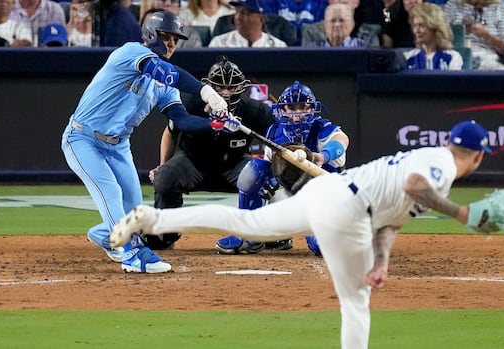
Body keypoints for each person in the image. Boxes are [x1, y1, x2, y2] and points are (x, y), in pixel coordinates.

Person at [111, 120, 504, 349]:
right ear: (478, 156)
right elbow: (416, 187)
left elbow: (392, 218)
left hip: (327, 193)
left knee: (248, 225)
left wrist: (382, 261)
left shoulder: (432, 156)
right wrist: (461, 213)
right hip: (346, 213)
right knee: (356, 303)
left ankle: (153, 220)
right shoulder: (441, 165)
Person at [60, 11, 235, 273]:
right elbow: (167, 72)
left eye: (175, 40)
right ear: (151, 34)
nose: (171, 44)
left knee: (136, 211)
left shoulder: (165, 86)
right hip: (83, 138)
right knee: (111, 193)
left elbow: (181, 120)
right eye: (167, 37)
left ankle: (106, 236)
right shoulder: (130, 53)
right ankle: (133, 254)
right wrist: (204, 90)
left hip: (118, 145)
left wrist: (215, 124)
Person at [144, 55, 274, 250]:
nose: (226, 93)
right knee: (165, 177)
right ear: (209, 87)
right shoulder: (190, 104)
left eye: (231, 87)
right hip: (191, 162)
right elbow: (170, 133)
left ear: (241, 87)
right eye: (220, 87)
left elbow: (276, 140)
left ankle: (266, 234)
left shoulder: (255, 111)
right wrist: (162, 165)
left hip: (235, 165)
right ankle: (166, 233)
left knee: (266, 178)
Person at [215, 80, 349, 255]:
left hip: (324, 200)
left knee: (323, 247)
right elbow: (267, 172)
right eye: (292, 109)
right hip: (290, 193)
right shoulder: (274, 131)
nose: (297, 114)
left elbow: (342, 141)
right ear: (283, 110)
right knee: (254, 170)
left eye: (303, 107)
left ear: (312, 109)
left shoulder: (322, 129)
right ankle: (250, 235)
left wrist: (322, 156)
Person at [444, 0, 504, 70]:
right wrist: (460, 31)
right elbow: (442, 39)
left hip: (488, 59)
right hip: (458, 57)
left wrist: (486, 35)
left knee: (502, 70)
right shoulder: (452, 5)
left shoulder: (500, 7)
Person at [404, 2, 463, 69]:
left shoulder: (452, 57)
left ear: (435, 27)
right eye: (414, 26)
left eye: (421, 25)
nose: (416, 31)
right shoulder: (407, 59)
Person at [208, 0, 287, 47]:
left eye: (244, 13)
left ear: (262, 18)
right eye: (237, 12)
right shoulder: (219, 43)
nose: (238, 17)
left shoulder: (277, 46)